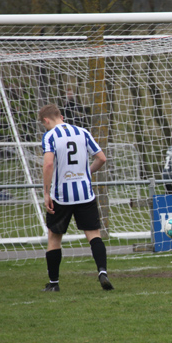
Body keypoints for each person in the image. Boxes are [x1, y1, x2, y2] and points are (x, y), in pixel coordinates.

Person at [38, 104, 113, 292]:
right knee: (94, 235)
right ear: (61, 116)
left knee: (54, 239)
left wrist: (46, 193)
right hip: (84, 193)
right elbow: (102, 158)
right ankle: (102, 272)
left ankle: (54, 284)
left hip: (61, 196)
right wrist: (86, 172)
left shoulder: (50, 136)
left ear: (46, 120)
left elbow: (48, 165)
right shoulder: (82, 132)